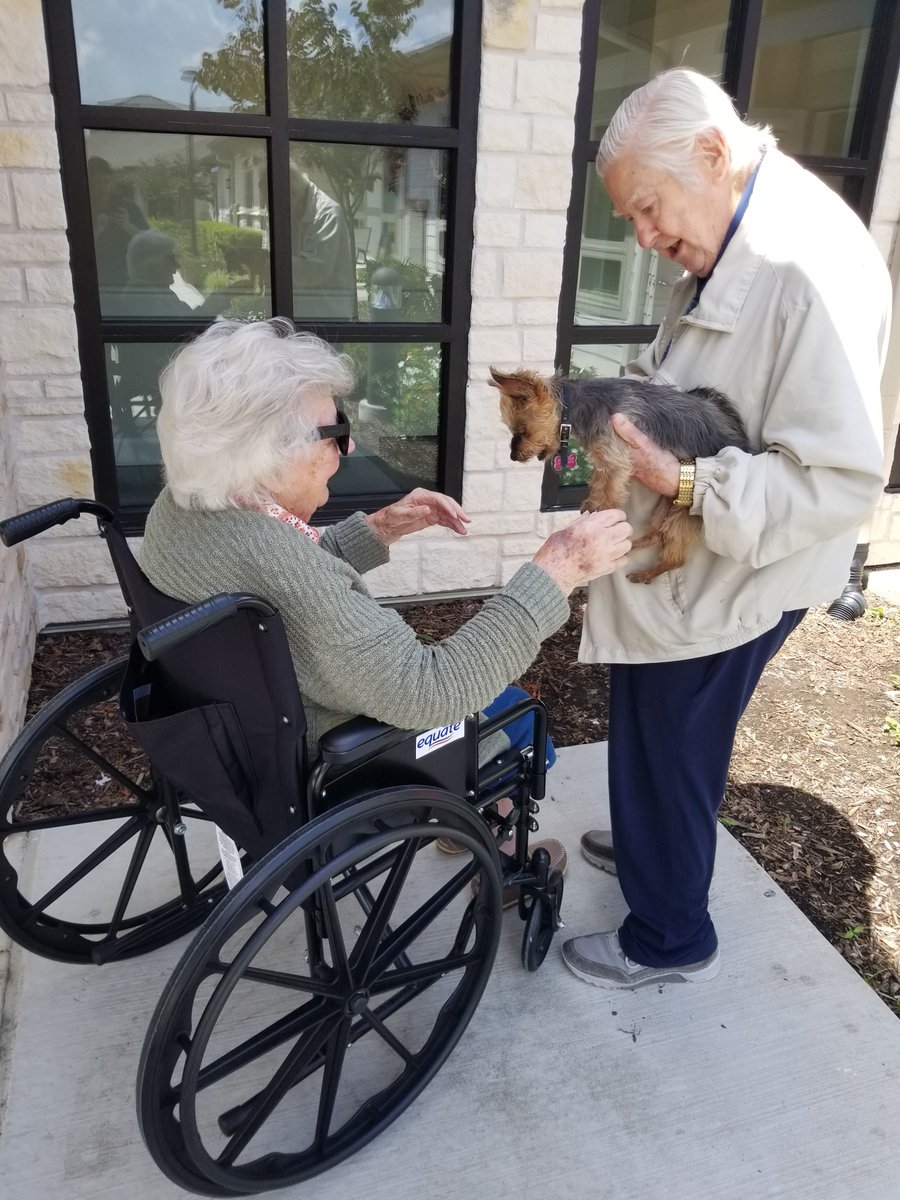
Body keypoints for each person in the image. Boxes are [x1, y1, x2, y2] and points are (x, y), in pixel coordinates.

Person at [561, 68, 892, 990]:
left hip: (743, 561)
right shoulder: (735, 229)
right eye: (630, 217)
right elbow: (719, 379)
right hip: (701, 547)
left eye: (648, 208)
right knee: (657, 721)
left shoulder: (806, 267)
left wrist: (687, 479)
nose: (644, 236)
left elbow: (836, 479)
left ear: (712, 152)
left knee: (673, 731)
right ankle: (649, 844)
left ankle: (667, 936)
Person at [140, 317, 633, 886]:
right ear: (267, 453)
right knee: (520, 716)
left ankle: (468, 820)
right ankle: (493, 840)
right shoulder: (284, 567)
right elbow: (432, 688)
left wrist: (378, 529)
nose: (346, 445)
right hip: (336, 755)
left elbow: (276, 587)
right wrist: (558, 571)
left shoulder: (181, 511)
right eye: (333, 431)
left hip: (229, 737)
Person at [289, 165, 357, 319]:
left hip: (327, 317)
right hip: (299, 315)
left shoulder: (327, 214)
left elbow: (314, 272)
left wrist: (265, 264)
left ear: (293, 191)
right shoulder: (290, 202)